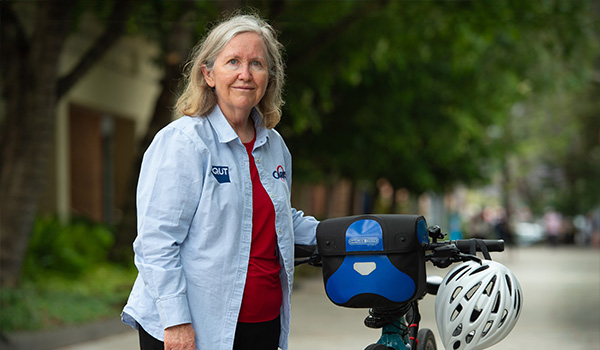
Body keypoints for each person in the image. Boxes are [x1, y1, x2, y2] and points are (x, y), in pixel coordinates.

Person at [121, 13, 319, 350]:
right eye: (233, 62)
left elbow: (279, 218)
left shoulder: (274, 146)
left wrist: (350, 234)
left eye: (256, 63)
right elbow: (156, 243)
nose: (245, 74)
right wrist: (176, 321)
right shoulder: (184, 142)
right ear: (208, 74)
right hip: (196, 327)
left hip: (263, 325)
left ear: (269, 77)